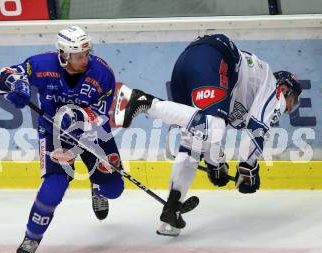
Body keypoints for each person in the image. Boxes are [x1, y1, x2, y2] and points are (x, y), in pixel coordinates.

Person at [114, 34, 302, 236]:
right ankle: (145, 101)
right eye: (293, 100)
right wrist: (248, 169)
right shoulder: (274, 90)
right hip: (215, 56)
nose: (290, 108)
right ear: (285, 89)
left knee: (195, 140)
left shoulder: (248, 93)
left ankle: (172, 209)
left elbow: (206, 137)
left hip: (188, 62)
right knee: (214, 128)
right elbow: (256, 133)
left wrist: (216, 163)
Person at [0, 26, 124, 253]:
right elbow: (2, 78)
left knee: (114, 190)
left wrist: (76, 117)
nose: (84, 60)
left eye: (86, 54)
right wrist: (18, 86)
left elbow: (103, 115)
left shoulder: (102, 73)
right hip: (54, 134)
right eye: (78, 56)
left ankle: (97, 185)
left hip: (93, 134)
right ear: (64, 55)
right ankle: (32, 237)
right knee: (53, 189)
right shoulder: (42, 65)